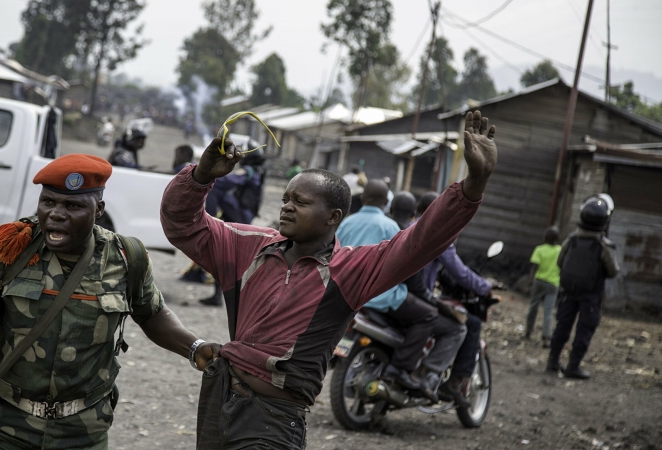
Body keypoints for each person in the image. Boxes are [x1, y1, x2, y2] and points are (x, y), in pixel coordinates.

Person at [160, 110, 497, 448]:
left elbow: (420, 240)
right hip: (218, 401)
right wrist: (201, 177)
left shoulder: (348, 270)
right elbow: (182, 225)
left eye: (300, 202)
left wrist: (474, 183)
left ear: (333, 217)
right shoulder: (249, 246)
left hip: (273, 420)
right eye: (286, 199)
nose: (286, 207)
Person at [0, 154, 221, 449]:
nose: (56, 214)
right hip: (0, 426)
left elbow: (152, 314)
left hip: (82, 433)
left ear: (98, 209)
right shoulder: (7, 247)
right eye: (48, 202)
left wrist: (195, 347)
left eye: (73, 206)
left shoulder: (126, 258)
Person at [336, 180, 466, 404]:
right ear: (386, 203)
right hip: (381, 296)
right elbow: (407, 269)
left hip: (346, 293)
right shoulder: (391, 228)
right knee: (428, 315)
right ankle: (400, 369)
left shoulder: (346, 222)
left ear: (363, 198)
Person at [416, 191, 492, 407]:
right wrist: (485, 286)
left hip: (398, 294)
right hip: (417, 298)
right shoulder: (439, 234)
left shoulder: (405, 227)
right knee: (465, 325)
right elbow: (459, 272)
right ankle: (440, 380)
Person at [546, 197, 619, 379]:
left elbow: (560, 262)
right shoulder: (603, 246)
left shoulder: (571, 239)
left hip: (568, 292)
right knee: (584, 330)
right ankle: (573, 366)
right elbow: (613, 271)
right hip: (591, 295)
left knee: (562, 326)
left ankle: (552, 362)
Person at [199, 147, 268, 307]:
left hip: (241, 214)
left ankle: (207, 220)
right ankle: (218, 296)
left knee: (214, 187)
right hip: (242, 214)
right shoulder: (258, 171)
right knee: (223, 255)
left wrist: (209, 174)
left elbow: (227, 181)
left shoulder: (249, 171)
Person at [524, 226, 562, 348]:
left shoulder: (539, 249)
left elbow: (534, 267)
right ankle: (546, 338)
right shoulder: (560, 250)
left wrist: (530, 282)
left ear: (545, 237)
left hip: (539, 282)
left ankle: (528, 332)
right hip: (553, 284)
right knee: (548, 311)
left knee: (533, 307)